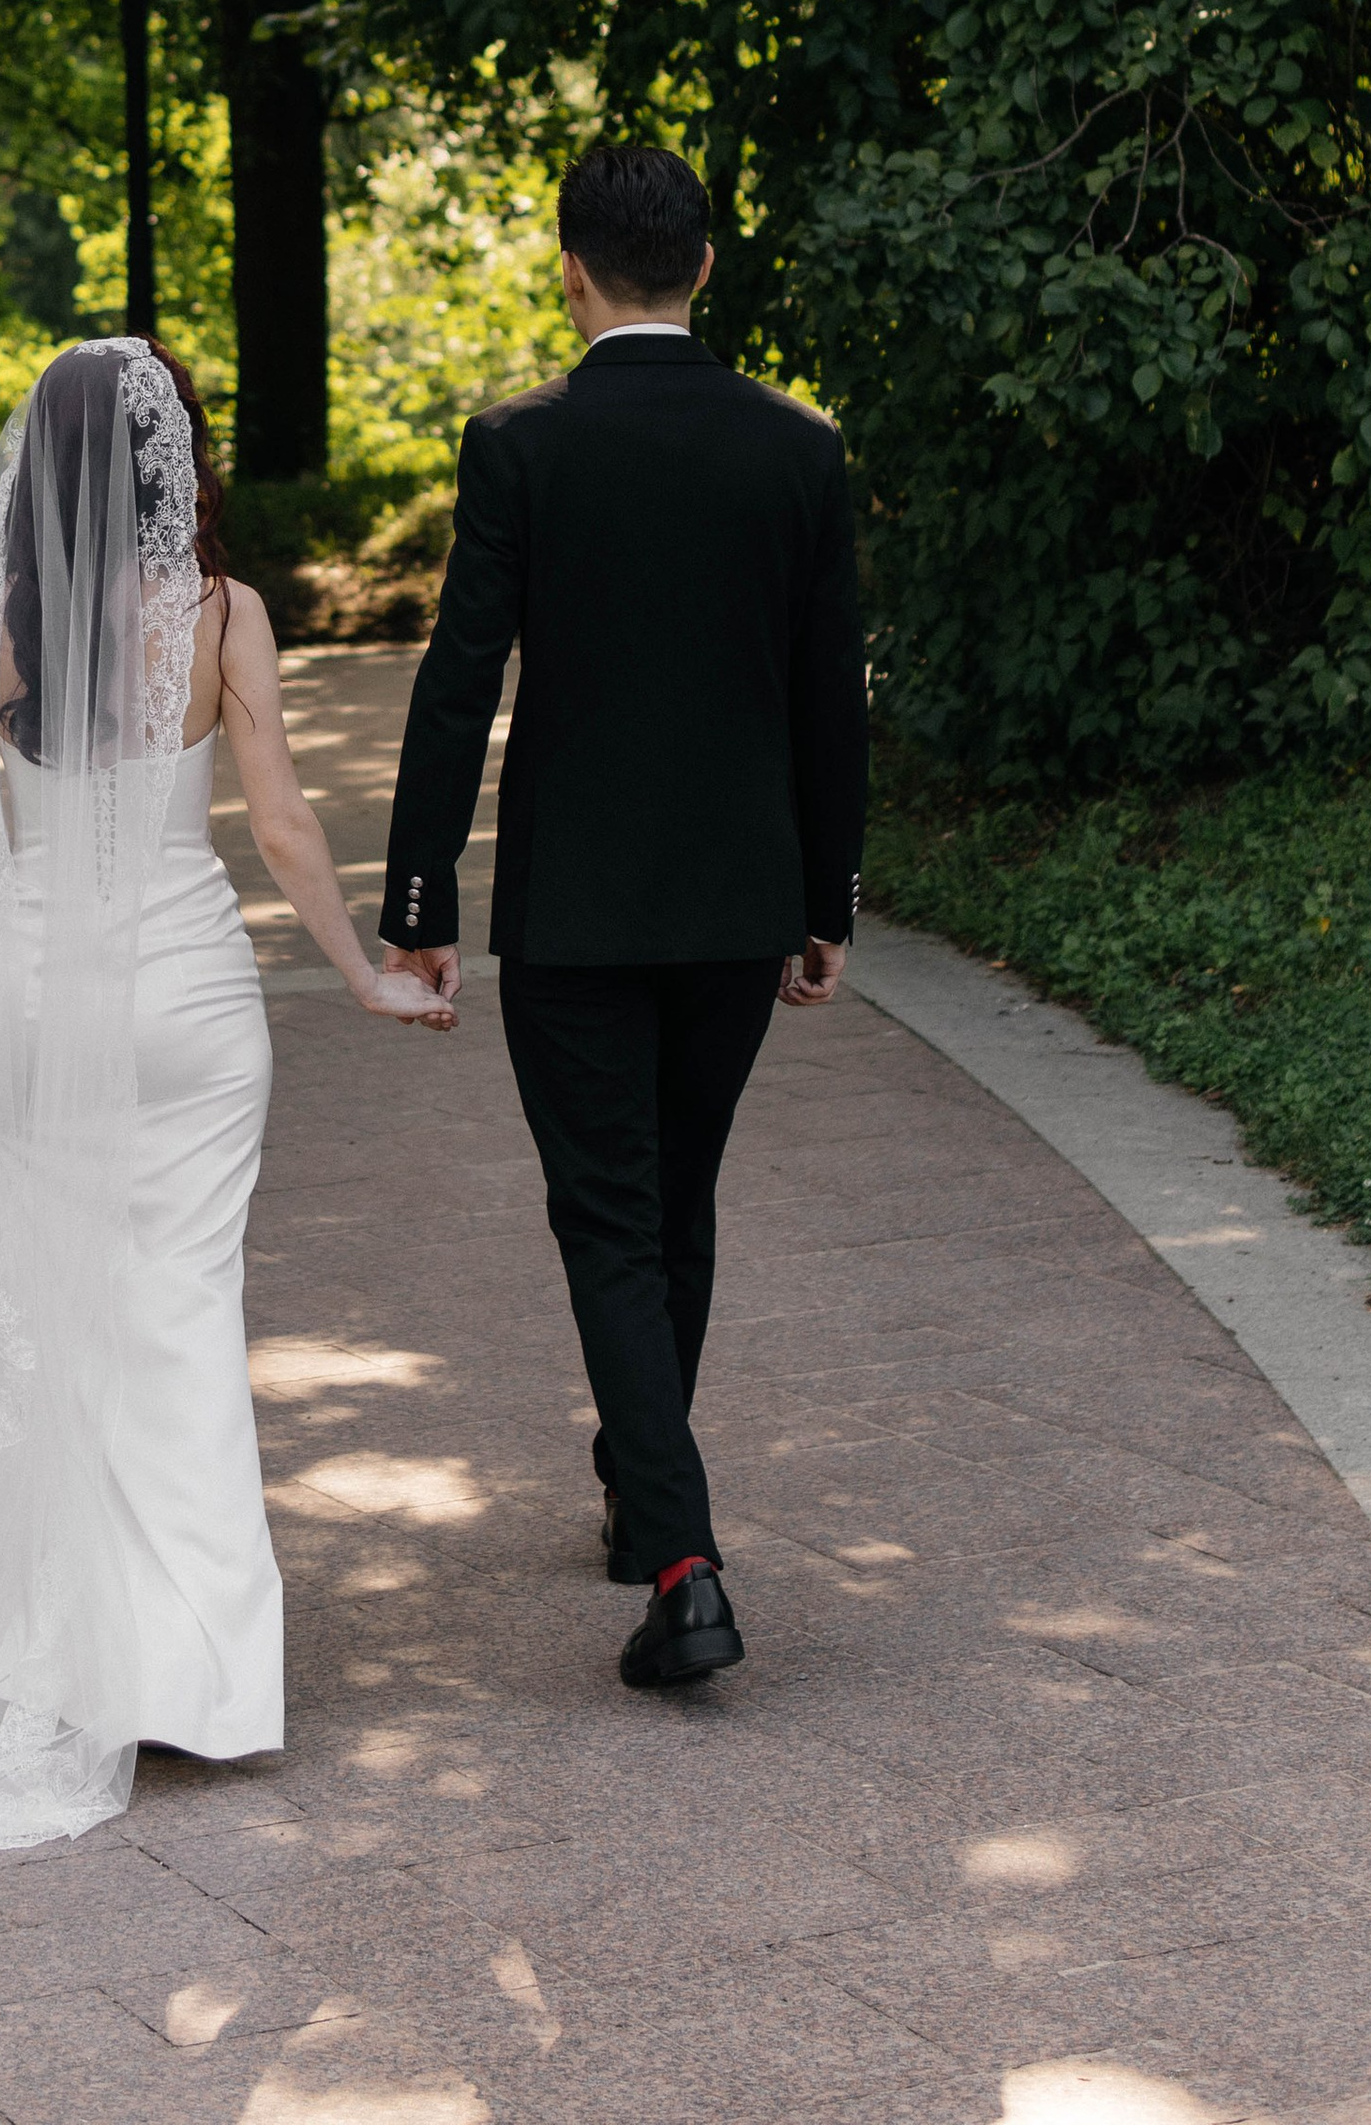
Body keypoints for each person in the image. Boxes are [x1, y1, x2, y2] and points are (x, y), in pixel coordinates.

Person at [0, 334, 454, 1855]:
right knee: (186, 1311)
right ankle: (201, 1681)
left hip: (44, 1002)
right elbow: (277, 824)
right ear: (164, 458)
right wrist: (366, 975)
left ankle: (66, 1663)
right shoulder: (221, 614)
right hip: (193, 1006)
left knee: (59, 1318)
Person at [379, 141, 868, 1690]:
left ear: (572, 272)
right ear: (706, 266)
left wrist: (417, 901)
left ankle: (682, 1562)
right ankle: (636, 1488)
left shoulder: (522, 444)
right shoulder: (797, 446)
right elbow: (827, 699)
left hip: (576, 913)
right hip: (736, 903)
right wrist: (824, 897)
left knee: (608, 1216)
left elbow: (463, 678)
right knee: (680, 1199)